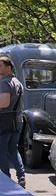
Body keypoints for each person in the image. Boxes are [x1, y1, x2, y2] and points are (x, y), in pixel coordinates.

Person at [0, 56, 25, 187]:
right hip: (18, 121)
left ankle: (5, 179)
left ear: (8, 66)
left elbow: (4, 103)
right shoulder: (18, 82)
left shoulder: (4, 82)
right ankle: (21, 176)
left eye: (0, 66)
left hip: (4, 121)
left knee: (2, 150)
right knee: (13, 149)